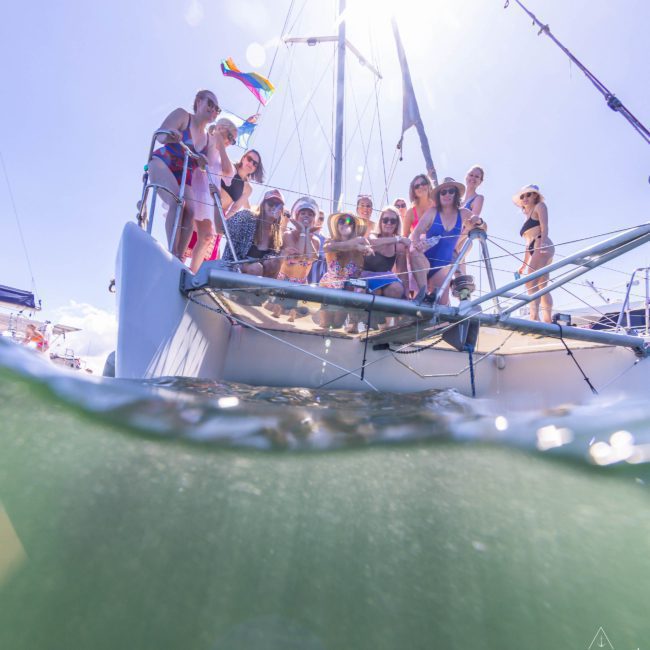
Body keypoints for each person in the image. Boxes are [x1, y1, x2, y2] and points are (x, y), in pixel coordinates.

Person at [148, 90, 232, 259]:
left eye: (217, 109)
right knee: (176, 201)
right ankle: (172, 252)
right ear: (199, 101)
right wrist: (172, 134)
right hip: (164, 162)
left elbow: (205, 165)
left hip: (184, 173)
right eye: (210, 103)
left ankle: (178, 257)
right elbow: (161, 135)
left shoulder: (209, 139)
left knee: (191, 210)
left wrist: (202, 161)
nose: (213, 110)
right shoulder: (183, 116)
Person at [410, 177, 485, 305]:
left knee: (442, 305)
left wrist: (479, 221)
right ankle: (423, 294)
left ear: (456, 194)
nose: (447, 194)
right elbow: (416, 233)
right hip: (424, 263)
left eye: (451, 191)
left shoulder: (463, 213)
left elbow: (484, 228)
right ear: (439, 196)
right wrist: (417, 242)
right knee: (414, 251)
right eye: (443, 192)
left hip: (442, 268)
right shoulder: (433, 212)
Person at [184, 117, 238, 273]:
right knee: (186, 229)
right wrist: (215, 137)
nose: (230, 142)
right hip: (193, 189)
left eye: (233, 141)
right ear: (220, 128)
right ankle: (179, 263)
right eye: (229, 136)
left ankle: (192, 273)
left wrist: (221, 145)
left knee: (207, 236)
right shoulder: (204, 138)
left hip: (207, 196)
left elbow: (229, 174)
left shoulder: (221, 157)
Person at [215, 188, 285, 277]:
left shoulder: (276, 237)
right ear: (263, 205)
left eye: (278, 205)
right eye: (271, 203)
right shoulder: (247, 217)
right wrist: (215, 201)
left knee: (274, 263)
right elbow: (219, 228)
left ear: (281, 211)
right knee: (256, 268)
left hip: (257, 278)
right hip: (232, 266)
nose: (274, 207)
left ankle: (264, 291)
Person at [319, 213, 372, 329]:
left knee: (337, 325)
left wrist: (366, 250)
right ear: (337, 226)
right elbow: (329, 248)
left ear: (353, 226)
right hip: (329, 289)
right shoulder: (330, 241)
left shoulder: (359, 248)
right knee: (325, 325)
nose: (344, 224)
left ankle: (354, 323)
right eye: (341, 221)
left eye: (349, 221)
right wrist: (355, 243)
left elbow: (369, 251)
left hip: (346, 292)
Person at [513, 184, 555, 322]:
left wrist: (542, 243)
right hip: (534, 247)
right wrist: (523, 265)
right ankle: (548, 321)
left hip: (542, 244)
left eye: (529, 194)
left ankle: (534, 318)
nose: (525, 197)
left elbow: (545, 226)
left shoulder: (540, 206)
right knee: (542, 285)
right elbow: (527, 245)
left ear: (535, 195)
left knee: (531, 283)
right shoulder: (526, 216)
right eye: (523, 195)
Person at [360, 207, 409, 299]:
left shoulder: (398, 245)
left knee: (396, 289)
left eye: (393, 221)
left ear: (397, 224)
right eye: (385, 220)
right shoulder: (373, 235)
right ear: (380, 222)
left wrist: (406, 294)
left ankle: (388, 313)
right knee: (375, 291)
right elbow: (373, 242)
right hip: (366, 276)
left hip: (385, 279)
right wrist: (399, 239)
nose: (389, 223)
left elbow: (402, 271)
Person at [277, 197, 321, 284]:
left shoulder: (316, 240)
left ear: (314, 220)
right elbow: (296, 256)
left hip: (302, 284)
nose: (306, 216)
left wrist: (306, 233)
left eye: (310, 214)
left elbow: (311, 257)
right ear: (296, 217)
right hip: (283, 282)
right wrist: (302, 232)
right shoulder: (287, 235)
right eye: (303, 213)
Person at [454, 165, 486, 276]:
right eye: (471, 175)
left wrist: (455, 242)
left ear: (480, 181)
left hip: (462, 240)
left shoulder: (478, 198)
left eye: (477, 177)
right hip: (452, 237)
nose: (473, 178)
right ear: (466, 177)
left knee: (458, 272)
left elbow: (472, 222)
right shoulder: (458, 201)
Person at [221, 149, 265, 217]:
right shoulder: (229, 166)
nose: (251, 164)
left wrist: (224, 220)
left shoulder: (248, 189)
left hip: (219, 213)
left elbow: (235, 207)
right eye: (249, 159)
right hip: (203, 199)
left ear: (255, 169)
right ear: (243, 158)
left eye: (255, 164)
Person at [307, 210, 327, 284]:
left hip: (319, 279)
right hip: (305, 276)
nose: (319, 220)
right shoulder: (305, 234)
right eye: (318, 217)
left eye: (322, 219)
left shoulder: (326, 240)